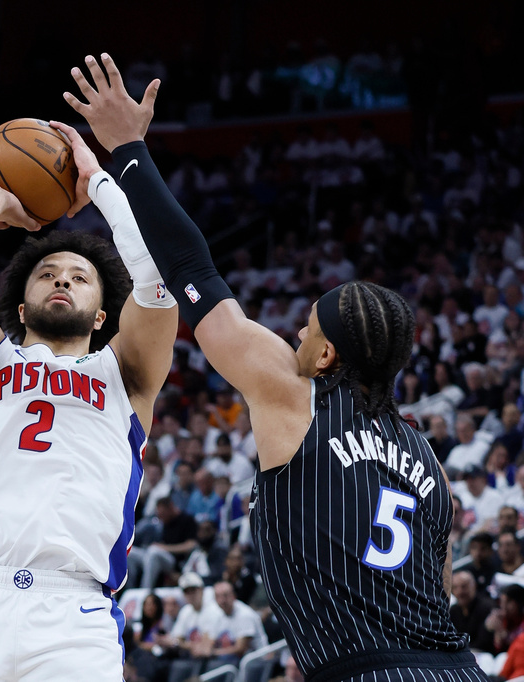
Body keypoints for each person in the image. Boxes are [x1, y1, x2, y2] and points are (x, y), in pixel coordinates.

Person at [65, 52, 486, 681]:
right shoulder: (430, 464)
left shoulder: (298, 393)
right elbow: (438, 587)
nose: (292, 333)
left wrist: (126, 152)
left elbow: (192, 268)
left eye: (305, 327)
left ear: (326, 356)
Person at [0, 115, 179, 679]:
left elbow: (158, 282)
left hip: (74, 611)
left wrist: (101, 185)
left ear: (104, 314)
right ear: (18, 303)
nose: (62, 280)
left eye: (80, 277)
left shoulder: (126, 372)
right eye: (47, 274)